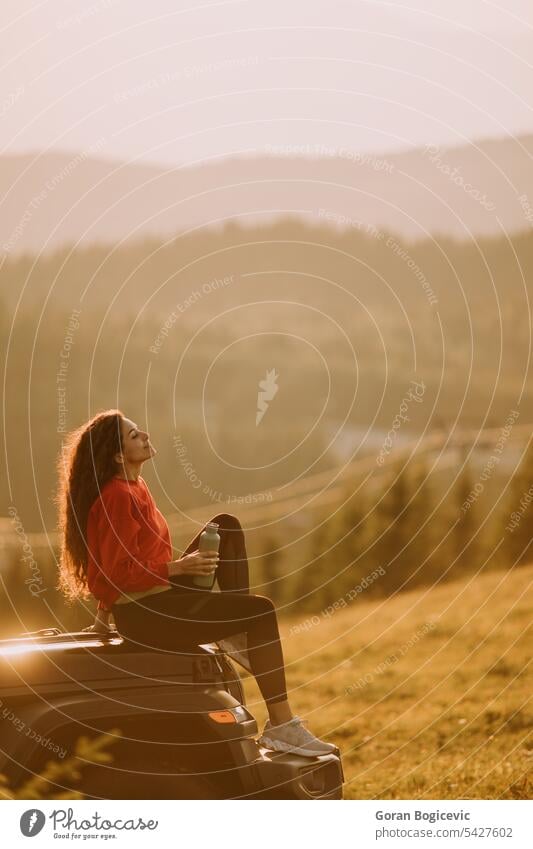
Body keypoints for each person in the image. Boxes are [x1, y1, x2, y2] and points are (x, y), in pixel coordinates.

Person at [55, 409, 337, 758]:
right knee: (261, 612)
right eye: (133, 435)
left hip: (157, 597)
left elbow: (113, 559)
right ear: (118, 455)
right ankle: (281, 725)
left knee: (225, 525)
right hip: (147, 615)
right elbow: (117, 572)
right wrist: (178, 568)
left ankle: (235, 635)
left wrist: (103, 617)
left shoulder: (135, 486)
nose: (144, 435)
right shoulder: (117, 497)